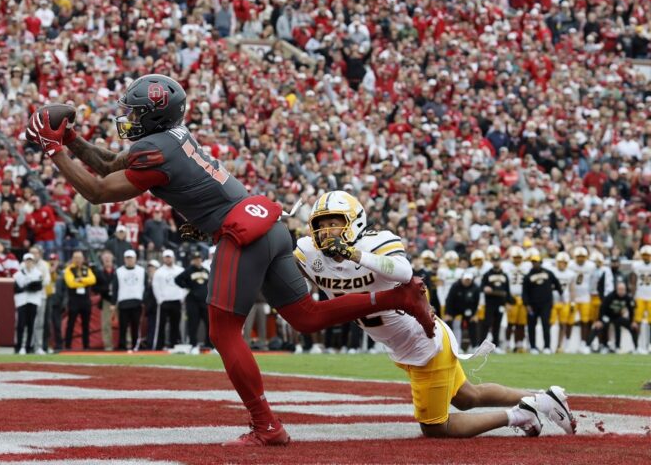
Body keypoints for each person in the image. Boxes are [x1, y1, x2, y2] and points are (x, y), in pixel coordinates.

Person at [26, 73, 433, 445]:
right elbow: (110, 163)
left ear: (154, 117)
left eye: (135, 113)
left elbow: (97, 190)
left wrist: (53, 149)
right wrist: (73, 140)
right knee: (307, 316)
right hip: (267, 224)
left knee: (223, 333)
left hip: (243, 234)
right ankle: (398, 297)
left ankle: (266, 425)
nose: (128, 119)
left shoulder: (153, 151)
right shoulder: (170, 138)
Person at [293, 191, 576, 438]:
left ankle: (521, 415)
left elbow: (404, 272)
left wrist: (355, 255)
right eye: (322, 225)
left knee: (436, 428)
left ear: (354, 223)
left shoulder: (375, 243)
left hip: (422, 342)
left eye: (334, 223)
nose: (327, 231)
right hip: (406, 342)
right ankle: (543, 398)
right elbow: (282, 260)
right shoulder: (309, 253)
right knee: (468, 397)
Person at [522, 251, 562, 355]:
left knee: (546, 325)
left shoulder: (548, 273)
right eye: (534, 262)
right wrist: (526, 305)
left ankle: (547, 347)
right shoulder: (527, 276)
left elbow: (557, 284)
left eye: (537, 262)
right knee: (531, 326)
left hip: (546, 304)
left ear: (541, 262)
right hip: (533, 305)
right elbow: (524, 292)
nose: (535, 264)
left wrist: (559, 292)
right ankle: (533, 347)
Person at [586, 281, 638, 353]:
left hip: (618, 317)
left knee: (633, 327)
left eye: (623, 289)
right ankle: (589, 346)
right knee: (598, 326)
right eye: (620, 289)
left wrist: (632, 321)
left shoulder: (627, 298)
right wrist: (599, 320)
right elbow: (602, 308)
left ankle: (634, 348)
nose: (621, 291)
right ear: (616, 289)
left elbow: (631, 310)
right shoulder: (610, 296)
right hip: (607, 316)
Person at [174, 250, 212, 349]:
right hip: (192, 301)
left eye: (199, 259)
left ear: (201, 259)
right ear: (193, 260)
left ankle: (209, 344)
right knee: (193, 323)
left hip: (205, 301)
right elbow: (177, 279)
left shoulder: (205, 270)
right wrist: (186, 286)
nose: (197, 261)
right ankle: (193, 344)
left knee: (209, 323)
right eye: (195, 259)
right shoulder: (189, 270)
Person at [152, 249, 186, 349]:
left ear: (173, 258)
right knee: (161, 325)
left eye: (169, 257)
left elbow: (186, 285)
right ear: (163, 258)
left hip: (176, 300)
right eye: (166, 257)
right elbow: (155, 286)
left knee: (175, 324)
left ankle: (174, 345)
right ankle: (159, 346)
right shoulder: (159, 272)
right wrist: (160, 299)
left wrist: (181, 297)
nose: (168, 259)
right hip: (164, 301)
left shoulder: (180, 270)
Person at [63, 250, 96, 350]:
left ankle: (86, 346)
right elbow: (71, 283)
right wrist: (85, 282)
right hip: (74, 300)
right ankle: (68, 346)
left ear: (83, 259)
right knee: (71, 323)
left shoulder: (86, 269)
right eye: (76, 257)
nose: (78, 260)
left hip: (85, 300)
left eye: (79, 258)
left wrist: (80, 280)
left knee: (86, 324)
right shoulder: (69, 269)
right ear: (72, 259)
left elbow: (93, 280)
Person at [113, 249, 145, 351]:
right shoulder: (119, 271)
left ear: (135, 259)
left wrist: (144, 301)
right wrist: (113, 303)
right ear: (124, 259)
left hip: (136, 302)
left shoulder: (141, 271)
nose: (129, 260)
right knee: (123, 327)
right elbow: (115, 288)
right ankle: (122, 346)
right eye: (127, 258)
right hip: (123, 302)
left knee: (135, 326)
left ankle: (135, 346)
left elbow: (146, 287)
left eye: (131, 258)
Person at [13, 253, 45, 354]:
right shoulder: (18, 274)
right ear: (24, 262)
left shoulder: (37, 273)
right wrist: (30, 286)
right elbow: (17, 289)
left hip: (33, 300)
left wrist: (27, 287)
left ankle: (28, 346)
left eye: (30, 261)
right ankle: (19, 346)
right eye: (27, 261)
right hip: (21, 301)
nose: (29, 263)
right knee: (21, 324)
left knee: (31, 324)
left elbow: (38, 287)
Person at [479, 251, 511, 350]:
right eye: (494, 261)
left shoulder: (504, 275)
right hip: (490, 302)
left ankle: (495, 346)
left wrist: (508, 302)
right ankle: (481, 345)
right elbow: (482, 287)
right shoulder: (487, 274)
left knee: (497, 324)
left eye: (497, 261)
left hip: (500, 303)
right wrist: (485, 288)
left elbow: (507, 290)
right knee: (487, 323)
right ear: (492, 262)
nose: (496, 263)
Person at [502, 246, 531, 353]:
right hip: (512, 297)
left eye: (519, 257)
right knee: (510, 323)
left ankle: (519, 344)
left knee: (521, 323)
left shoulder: (527, 265)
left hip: (523, 297)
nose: (517, 259)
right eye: (515, 257)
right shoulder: (506, 266)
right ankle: (508, 344)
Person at [444, 271, 481, 352]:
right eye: (465, 279)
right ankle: (452, 346)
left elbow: (476, 302)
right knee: (448, 323)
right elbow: (449, 300)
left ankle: (474, 346)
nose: (467, 281)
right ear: (462, 279)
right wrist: (448, 313)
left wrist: (474, 314)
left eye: (469, 280)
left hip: (469, 310)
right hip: (455, 309)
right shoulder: (455, 286)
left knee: (473, 323)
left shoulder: (475, 288)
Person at [547, 252, 576, 353]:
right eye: (560, 262)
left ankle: (559, 346)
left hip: (565, 301)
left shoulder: (571, 274)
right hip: (553, 301)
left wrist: (572, 302)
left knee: (563, 324)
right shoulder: (552, 272)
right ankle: (548, 345)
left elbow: (572, 289)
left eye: (564, 263)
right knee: (550, 323)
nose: (562, 264)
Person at [570, 246, 597, 354]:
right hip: (573, 296)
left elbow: (593, 281)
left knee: (585, 321)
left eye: (582, 257)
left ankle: (584, 343)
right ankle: (568, 343)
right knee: (569, 321)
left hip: (585, 296)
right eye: (578, 256)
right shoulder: (571, 265)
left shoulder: (591, 266)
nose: (580, 259)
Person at [29, 246, 52, 354]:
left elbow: (47, 280)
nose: (34, 255)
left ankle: (38, 346)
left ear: (40, 254)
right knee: (27, 322)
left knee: (39, 323)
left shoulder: (44, 264)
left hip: (41, 296)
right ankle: (26, 346)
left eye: (36, 253)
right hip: (27, 297)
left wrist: (35, 283)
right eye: (32, 253)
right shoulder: (25, 263)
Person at [94, 250, 118, 350]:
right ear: (102, 260)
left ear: (112, 259)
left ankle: (126, 343)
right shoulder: (99, 273)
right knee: (106, 324)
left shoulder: (118, 271)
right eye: (105, 258)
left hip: (118, 299)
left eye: (109, 257)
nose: (107, 259)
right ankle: (108, 345)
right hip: (106, 300)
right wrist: (106, 289)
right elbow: (94, 288)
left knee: (126, 323)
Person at [631, 245, 651, 354]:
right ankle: (636, 345)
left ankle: (650, 345)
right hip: (640, 296)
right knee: (637, 321)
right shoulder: (637, 265)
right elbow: (633, 282)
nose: (646, 257)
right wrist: (632, 296)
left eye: (648, 255)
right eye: (644, 255)